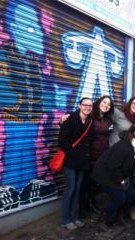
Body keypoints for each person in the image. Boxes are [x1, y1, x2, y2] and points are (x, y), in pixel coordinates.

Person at [92, 122, 135, 225]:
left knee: (131, 195)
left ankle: (119, 216)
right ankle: (104, 217)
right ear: (133, 134)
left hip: (122, 175)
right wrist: (121, 181)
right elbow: (112, 166)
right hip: (106, 174)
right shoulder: (124, 146)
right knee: (120, 198)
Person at [59, 97, 93, 230]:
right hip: (71, 162)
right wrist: (73, 153)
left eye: (90, 106)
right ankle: (65, 219)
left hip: (83, 162)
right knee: (70, 189)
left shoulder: (90, 121)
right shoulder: (70, 119)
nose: (87, 108)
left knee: (78, 190)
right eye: (85, 105)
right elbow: (62, 141)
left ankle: (74, 217)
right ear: (79, 105)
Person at [80, 96, 114, 216]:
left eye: (109, 104)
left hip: (102, 154)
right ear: (99, 102)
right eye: (104, 102)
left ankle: (91, 203)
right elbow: (79, 116)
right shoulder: (91, 116)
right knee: (86, 181)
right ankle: (84, 206)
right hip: (90, 153)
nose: (106, 105)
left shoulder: (108, 119)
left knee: (94, 181)